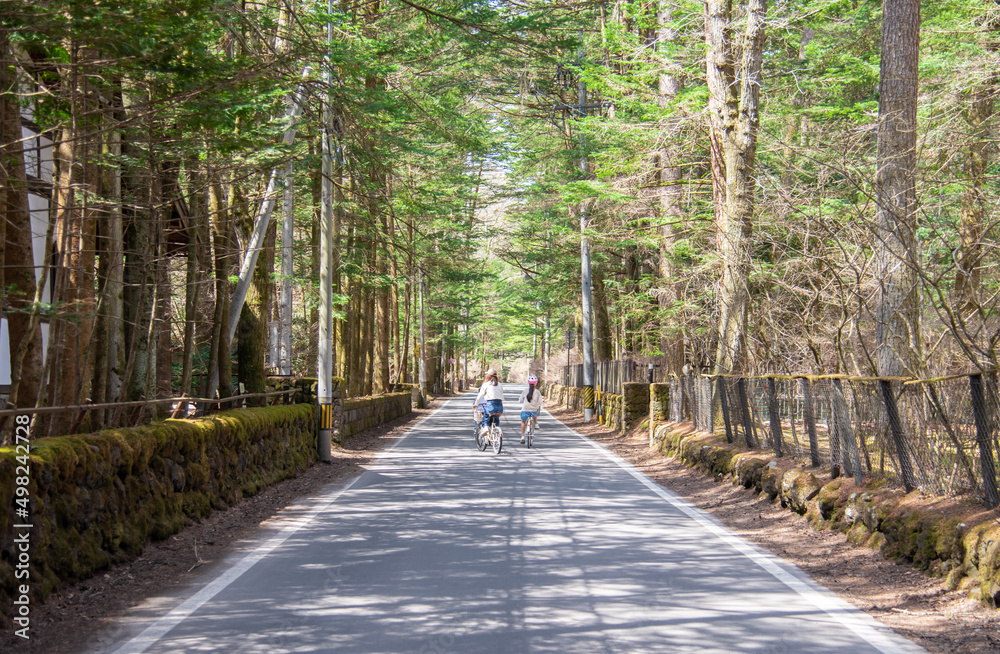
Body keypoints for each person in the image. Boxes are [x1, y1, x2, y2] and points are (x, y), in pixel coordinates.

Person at [473, 368, 504, 436]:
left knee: (485, 419)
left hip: (490, 404)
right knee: (496, 420)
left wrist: (476, 404)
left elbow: (480, 395)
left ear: (488, 376)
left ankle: (486, 427)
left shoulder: (486, 384)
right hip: (499, 405)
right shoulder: (500, 384)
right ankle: (496, 433)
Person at [518, 375, 543, 443]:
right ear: (536, 383)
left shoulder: (525, 391)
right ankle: (536, 424)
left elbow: (520, 400)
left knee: (523, 421)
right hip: (534, 410)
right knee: (535, 410)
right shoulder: (537, 392)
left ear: (528, 383)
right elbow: (540, 402)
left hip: (525, 409)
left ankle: (522, 437)